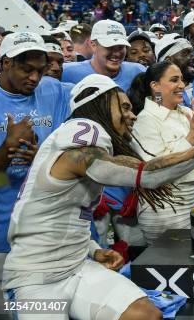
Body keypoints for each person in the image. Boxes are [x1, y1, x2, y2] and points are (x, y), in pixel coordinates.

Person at [2, 73, 194, 320]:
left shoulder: (74, 147)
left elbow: (61, 217)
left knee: (146, 315)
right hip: (32, 280)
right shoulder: (82, 133)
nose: (132, 115)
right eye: (125, 107)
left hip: (78, 268)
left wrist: (94, 250)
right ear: (100, 104)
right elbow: (148, 175)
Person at [62, 19, 146, 246]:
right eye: (110, 46)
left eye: (121, 46)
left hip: (127, 166)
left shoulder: (137, 71)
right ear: (93, 44)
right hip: (89, 166)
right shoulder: (68, 73)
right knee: (96, 244)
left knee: (133, 244)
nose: (118, 52)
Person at [0, 32, 70, 282]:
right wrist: (8, 148)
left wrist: (42, 156)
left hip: (48, 229)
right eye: (27, 70)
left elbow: (68, 152)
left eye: (41, 69)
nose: (35, 78)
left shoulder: (53, 90)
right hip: (1, 235)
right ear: (6, 63)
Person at [127, 62, 194, 244]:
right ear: (155, 86)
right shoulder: (144, 121)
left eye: (181, 79)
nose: (182, 85)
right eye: (174, 80)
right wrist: (192, 138)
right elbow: (155, 169)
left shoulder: (188, 113)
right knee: (174, 266)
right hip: (165, 207)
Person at [154, 34, 194, 111]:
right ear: (168, 61)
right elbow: (159, 114)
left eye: (192, 53)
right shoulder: (157, 90)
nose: (193, 57)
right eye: (186, 53)